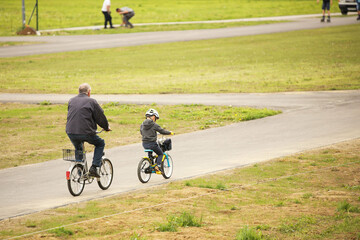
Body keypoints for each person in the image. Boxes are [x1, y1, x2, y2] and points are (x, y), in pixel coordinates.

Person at [66, 83, 111, 177]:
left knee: (78, 148)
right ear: (89, 92)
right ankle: (94, 167)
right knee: (100, 143)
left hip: (71, 132)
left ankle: (80, 172)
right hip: (86, 132)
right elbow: (100, 117)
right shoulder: (91, 101)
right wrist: (106, 127)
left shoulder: (71, 101)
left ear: (78, 91)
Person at [140, 109, 174, 174]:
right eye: (156, 118)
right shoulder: (153, 124)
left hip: (144, 143)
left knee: (150, 152)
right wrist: (169, 133)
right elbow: (162, 131)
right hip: (152, 144)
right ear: (153, 117)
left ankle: (150, 163)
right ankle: (157, 166)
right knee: (160, 153)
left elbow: (141, 132)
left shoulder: (142, 124)